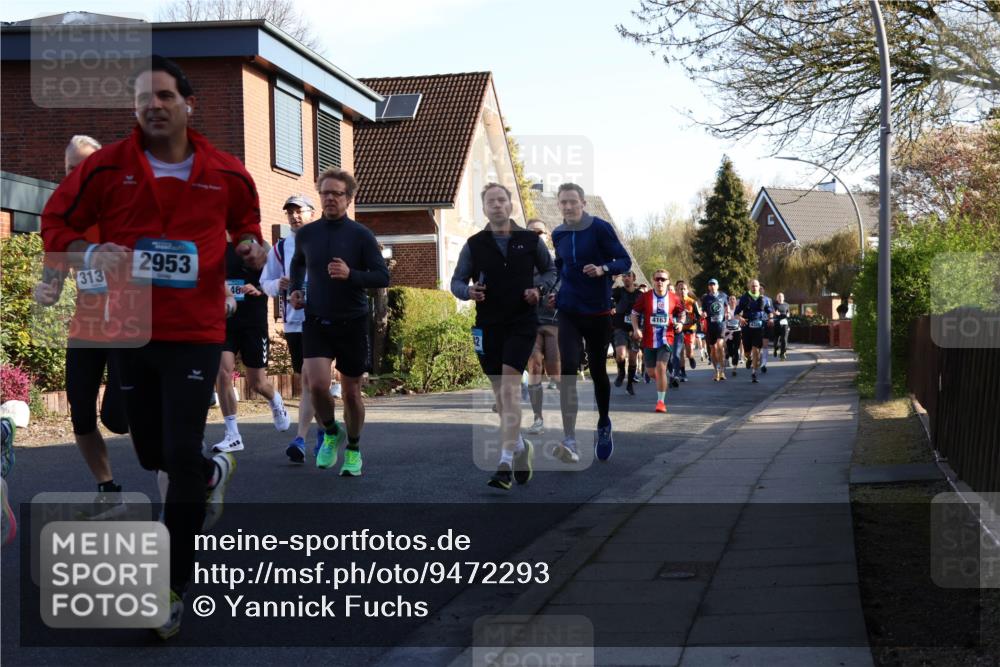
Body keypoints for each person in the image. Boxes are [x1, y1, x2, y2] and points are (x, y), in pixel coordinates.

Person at [41, 55, 266, 640]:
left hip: (194, 331)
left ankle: (169, 588)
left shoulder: (227, 171)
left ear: (189, 104)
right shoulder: (106, 168)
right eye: (143, 98)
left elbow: (247, 224)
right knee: (151, 454)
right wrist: (89, 255)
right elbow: (56, 222)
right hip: (128, 327)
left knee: (179, 449)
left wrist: (249, 247)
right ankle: (212, 472)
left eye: (165, 96)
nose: (153, 106)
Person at [33, 135, 131, 513]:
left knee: (119, 419)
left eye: (84, 167)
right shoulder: (62, 217)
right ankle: (108, 489)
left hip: (129, 328)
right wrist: (46, 291)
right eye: (70, 168)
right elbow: (53, 280)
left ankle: (182, 468)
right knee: (81, 413)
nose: (76, 175)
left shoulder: (124, 211)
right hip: (86, 329)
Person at [451, 186, 555, 489]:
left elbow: (550, 271)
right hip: (487, 325)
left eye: (501, 200)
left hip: (522, 322)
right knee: (500, 395)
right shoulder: (474, 245)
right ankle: (521, 446)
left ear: (510, 205)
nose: (496, 205)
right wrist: (467, 291)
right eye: (490, 201)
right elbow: (457, 280)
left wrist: (539, 290)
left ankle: (505, 463)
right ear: (484, 208)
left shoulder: (530, 241)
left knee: (509, 391)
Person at [289, 167, 389, 477]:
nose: (330, 198)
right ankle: (332, 432)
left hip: (352, 322)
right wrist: (295, 289)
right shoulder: (307, 233)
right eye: (325, 193)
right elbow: (297, 263)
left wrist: (352, 275)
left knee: (351, 393)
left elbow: (382, 276)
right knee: (317, 386)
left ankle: (354, 449)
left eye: (337, 193)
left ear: (349, 198)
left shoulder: (360, 235)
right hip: (317, 319)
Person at [548, 183, 632, 463]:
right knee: (568, 369)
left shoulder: (599, 228)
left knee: (597, 370)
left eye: (573, 201)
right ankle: (570, 438)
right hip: (569, 311)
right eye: (563, 202)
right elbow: (560, 267)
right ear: (558, 205)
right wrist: (555, 291)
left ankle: (604, 422)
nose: (568, 206)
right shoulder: (558, 233)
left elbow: (624, 260)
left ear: (583, 203)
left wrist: (603, 269)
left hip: (597, 312)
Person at [261, 195, 326, 461]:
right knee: (308, 380)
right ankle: (324, 430)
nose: (294, 216)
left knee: (312, 379)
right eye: (290, 213)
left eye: (299, 211)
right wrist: (279, 285)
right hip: (294, 322)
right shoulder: (281, 247)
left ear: (312, 214)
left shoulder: (324, 241)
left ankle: (301, 438)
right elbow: (265, 281)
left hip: (322, 319)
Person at [212, 237, 291, 453]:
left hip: (253, 323)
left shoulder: (259, 245)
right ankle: (233, 435)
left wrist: (258, 288)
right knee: (222, 372)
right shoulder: (213, 242)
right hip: (225, 320)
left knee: (258, 383)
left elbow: (275, 280)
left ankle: (275, 400)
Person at [524, 219, 560, 434]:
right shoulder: (520, 262)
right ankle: (538, 418)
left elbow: (567, 282)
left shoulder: (557, 261)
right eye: (531, 233)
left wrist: (560, 296)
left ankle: (567, 414)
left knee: (555, 371)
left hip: (554, 319)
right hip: (530, 319)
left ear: (547, 236)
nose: (536, 237)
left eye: (540, 232)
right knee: (535, 365)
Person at [630, 269, 683, 413]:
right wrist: (636, 329)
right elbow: (634, 313)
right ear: (653, 281)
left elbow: (682, 313)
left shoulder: (674, 298)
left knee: (660, 368)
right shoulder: (645, 297)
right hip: (648, 340)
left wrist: (680, 323)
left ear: (668, 282)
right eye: (657, 279)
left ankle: (660, 402)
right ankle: (666, 378)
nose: (660, 282)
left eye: (663, 279)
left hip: (667, 338)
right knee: (653, 372)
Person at [734, 278, 773, 384]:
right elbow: (736, 313)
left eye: (756, 286)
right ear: (749, 287)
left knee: (756, 350)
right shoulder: (744, 298)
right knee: (747, 351)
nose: (755, 287)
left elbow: (770, 311)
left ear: (759, 287)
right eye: (753, 286)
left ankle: (754, 372)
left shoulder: (764, 300)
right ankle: (748, 358)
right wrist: (740, 318)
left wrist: (770, 318)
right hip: (747, 327)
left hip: (759, 327)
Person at [611, 271, 641, 396]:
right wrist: (612, 280)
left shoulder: (640, 295)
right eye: (624, 276)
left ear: (634, 278)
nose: (626, 278)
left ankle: (629, 384)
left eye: (628, 276)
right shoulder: (618, 292)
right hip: (620, 328)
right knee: (621, 355)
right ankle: (621, 372)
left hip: (635, 330)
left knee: (633, 360)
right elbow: (606, 293)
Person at [700, 278, 729, 382]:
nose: (712, 286)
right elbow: (703, 310)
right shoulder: (706, 298)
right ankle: (716, 371)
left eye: (714, 284)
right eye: (710, 285)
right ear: (708, 287)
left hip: (721, 325)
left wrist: (728, 312)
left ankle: (722, 370)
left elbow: (727, 306)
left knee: (719, 346)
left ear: (717, 286)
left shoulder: (723, 296)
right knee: (712, 349)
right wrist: (704, 314)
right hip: (710, 326)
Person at [674, 280, 701, 382]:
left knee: (689, 351)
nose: (682, 291)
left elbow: (698, 316)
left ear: (687, 290)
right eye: (680, 289)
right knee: (680, 351)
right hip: (679, 329)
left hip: (690, 328)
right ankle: (683, 372)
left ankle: (691, 357)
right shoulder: (674, 301)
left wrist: (694, 320)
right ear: (677, 290)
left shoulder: (692, 302)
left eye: (684, 289)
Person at [724, 294, 743, 377]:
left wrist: (740, 316)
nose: (732, 300)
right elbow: (723, 319)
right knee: (730, 349)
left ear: (736, 301)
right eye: (730, 299)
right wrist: (726, 315)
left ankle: (734, 368)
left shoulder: (739, 310)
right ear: (728, 301)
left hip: (737, 331)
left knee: (736, 349)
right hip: (728, 331)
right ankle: (729, 355)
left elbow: (742, 318)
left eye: (733, 299)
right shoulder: (726, 309)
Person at [759, 286, 774, 373]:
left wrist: (771, 319)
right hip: (756, 323)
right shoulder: (753, 299)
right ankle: (757, 359)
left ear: (764, 290)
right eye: (759, 288)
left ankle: (764, 363)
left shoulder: (768, 299)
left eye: (762, 288)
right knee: (757, 345)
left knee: (765, 344)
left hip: (766, 323)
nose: (760, 290)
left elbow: (771, 311)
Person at [773, 291, 791, 360]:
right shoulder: (774, 305)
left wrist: (782, 315)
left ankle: (782, 354)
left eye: (781, 297)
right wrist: (778, 314)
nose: (780, 298)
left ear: (784, 298)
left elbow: (788, 314)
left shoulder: (787, 305)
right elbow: (775, 313)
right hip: (777, 324)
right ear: (777, 298)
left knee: (784, 339)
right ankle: (775, 348)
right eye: (779, 297)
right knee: (776, 340)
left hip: (785, 324)